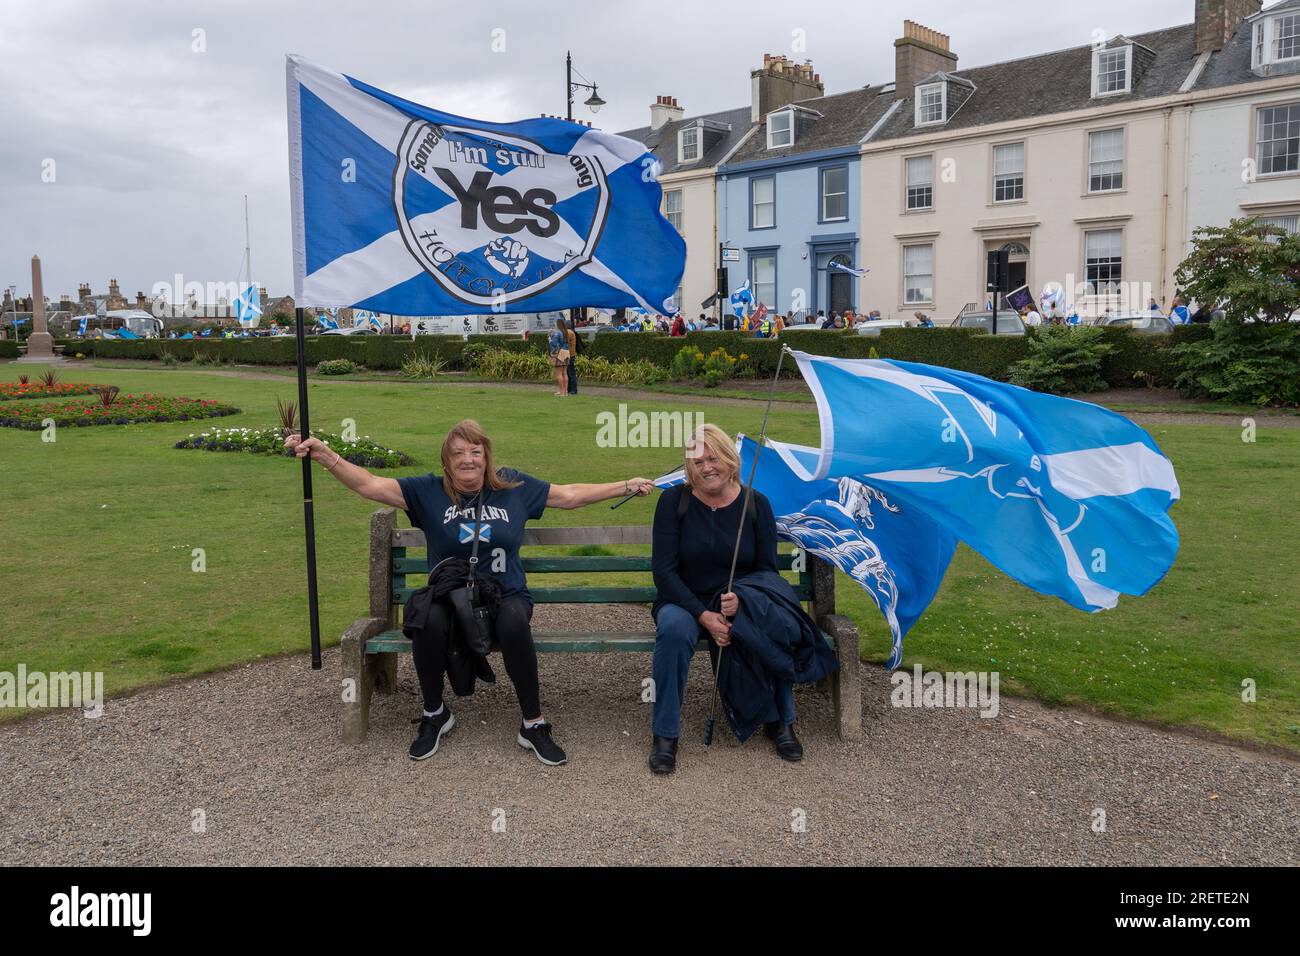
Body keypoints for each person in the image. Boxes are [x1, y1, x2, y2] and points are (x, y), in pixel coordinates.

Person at [285, 420, 654, 765]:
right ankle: (434, 714)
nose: (468, 459)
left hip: (505, 594)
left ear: (487, 458)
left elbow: (570, 494)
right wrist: (325, 455)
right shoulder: (427, 492)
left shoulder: (512, 488)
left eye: (475, 452)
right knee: (426, 619)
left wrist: (624, 485)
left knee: (513, 622)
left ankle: (533, 723)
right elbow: (369, 484)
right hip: (449, 597)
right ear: (446, 460)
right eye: (459, 452)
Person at [648, 425, 809, 774]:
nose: (706, 467)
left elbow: (767, 573)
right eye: (697, 461)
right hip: (682, 599)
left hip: (737, 599)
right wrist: (703, 616)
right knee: (674, 630)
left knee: (770, 625)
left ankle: (781, 721)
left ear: (730, 458)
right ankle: (665, 734)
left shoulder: (757, 505)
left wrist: (744, 603)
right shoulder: (674, 502)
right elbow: (663, 572)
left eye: (713, 457)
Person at [549, 319, 571, 395]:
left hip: (560, 353)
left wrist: (549, 339)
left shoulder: (557, 333)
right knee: (565, 373)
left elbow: (554, 344)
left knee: (559, 373)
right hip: (567, 352)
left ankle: (561, 392)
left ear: (558, 325)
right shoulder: (566, 332)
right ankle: (565, 391)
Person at [564, 317, 579, 395]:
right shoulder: (571, 332)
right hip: (571, 354)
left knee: (570, 373)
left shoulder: (569, 332)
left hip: (569, 355)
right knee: (569, 372)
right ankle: (570, 389)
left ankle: (573, 390)